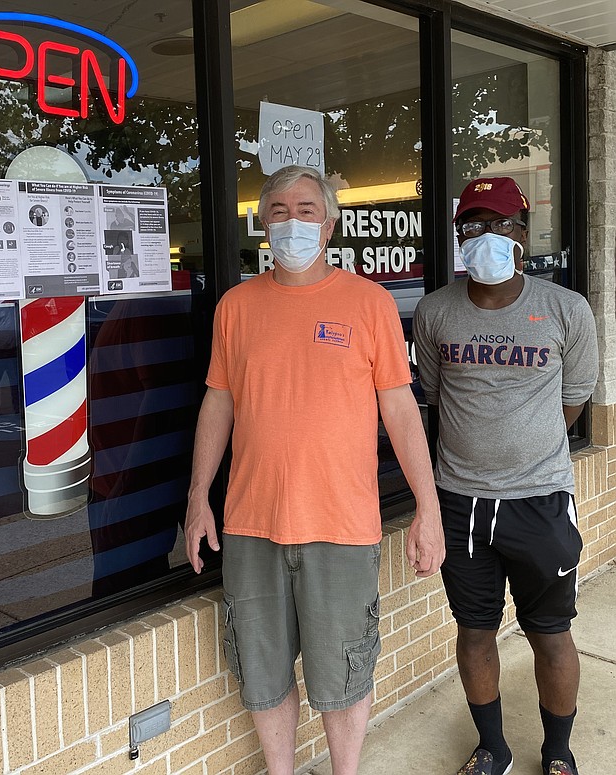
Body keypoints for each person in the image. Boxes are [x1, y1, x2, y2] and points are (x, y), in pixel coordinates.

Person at [185, 165, 444, 775]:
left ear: (329, 224)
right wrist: (200, 498)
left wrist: (428, 509)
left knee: (343, 675)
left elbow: (401, 410)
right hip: (251, 523)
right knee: (263, 673)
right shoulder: (236, 307)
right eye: (278, 210)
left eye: (306, 210)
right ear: (261, 224)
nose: (292, 222)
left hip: (341, 523)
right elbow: (218, 403)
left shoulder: (369, 303)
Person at [412, 177, 599, 775]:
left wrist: (527, 445)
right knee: (474, 633)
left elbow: (573, 400)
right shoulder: (436, 310)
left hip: (539, 501)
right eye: (473, 227)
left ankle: (558, 752)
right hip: (460, 504)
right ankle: (493, 746)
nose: (486, 237)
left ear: (523, 234)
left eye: (500, 225)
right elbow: (437, 396)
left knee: (551, 634)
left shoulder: (567, 310)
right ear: (459, 240)